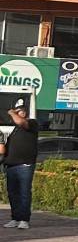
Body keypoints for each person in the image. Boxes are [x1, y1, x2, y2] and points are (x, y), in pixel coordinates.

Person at [3, 99, 39, 230]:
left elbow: (20, 121)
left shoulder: (31, 123)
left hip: (25, 165)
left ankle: (24, 219)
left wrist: (12, 112)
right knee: (12, 193)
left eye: (19, 112)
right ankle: (15, 218)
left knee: (24, 192)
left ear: (24, 113)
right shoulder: (15, 129)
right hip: (11, 165)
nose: (16, 115)